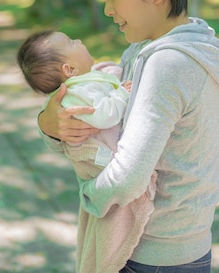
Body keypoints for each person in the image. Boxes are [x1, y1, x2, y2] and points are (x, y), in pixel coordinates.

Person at [37, 0, 219, 273]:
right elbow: (97, 112)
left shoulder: (170, 64)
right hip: (163, 251)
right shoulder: (144, 51)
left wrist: (89, 196)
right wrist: (49, 123)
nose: (108, 9)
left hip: (156, 255)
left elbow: (128, 177)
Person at [17, 30, 157, 273]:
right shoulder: (77, 94)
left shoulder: (85, 83)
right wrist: (122, 92)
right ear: (69, 70)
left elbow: (105, 80)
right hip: (100, 158)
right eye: (72, 42)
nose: (80, 40)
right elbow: (103, 114)